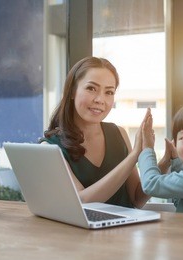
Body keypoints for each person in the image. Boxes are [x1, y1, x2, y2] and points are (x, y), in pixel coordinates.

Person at [40, 56, 151, 209]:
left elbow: (136, 199)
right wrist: (134, 156)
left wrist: (165, 162)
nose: (100, 99)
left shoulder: (118, 133)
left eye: (109, 92)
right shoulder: (50, 147)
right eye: (91, 88)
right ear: (72, 91)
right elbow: (81, 202)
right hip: (82, 233)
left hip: (126, 230)